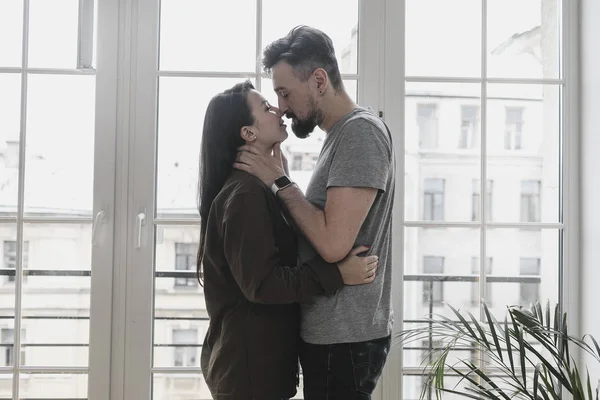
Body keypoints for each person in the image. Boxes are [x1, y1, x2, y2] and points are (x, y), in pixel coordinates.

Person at [234, 26, 396, 399]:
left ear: (319, 80)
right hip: (336, 335)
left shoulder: (359, 134)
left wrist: (279, 181)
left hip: (344, 338)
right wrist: (284, 178)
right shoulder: (341, 134)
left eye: (285, 93)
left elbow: (332, 244)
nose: (283, 107)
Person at [197, 80, 379, 400]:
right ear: (248, 133)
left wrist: (282, 182)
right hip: (249, 374)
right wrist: (337, 274)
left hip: (253, 367)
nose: (279, 109)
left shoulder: (257, 188)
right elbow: (264, 284)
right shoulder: (245, 195)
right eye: (267, 107)